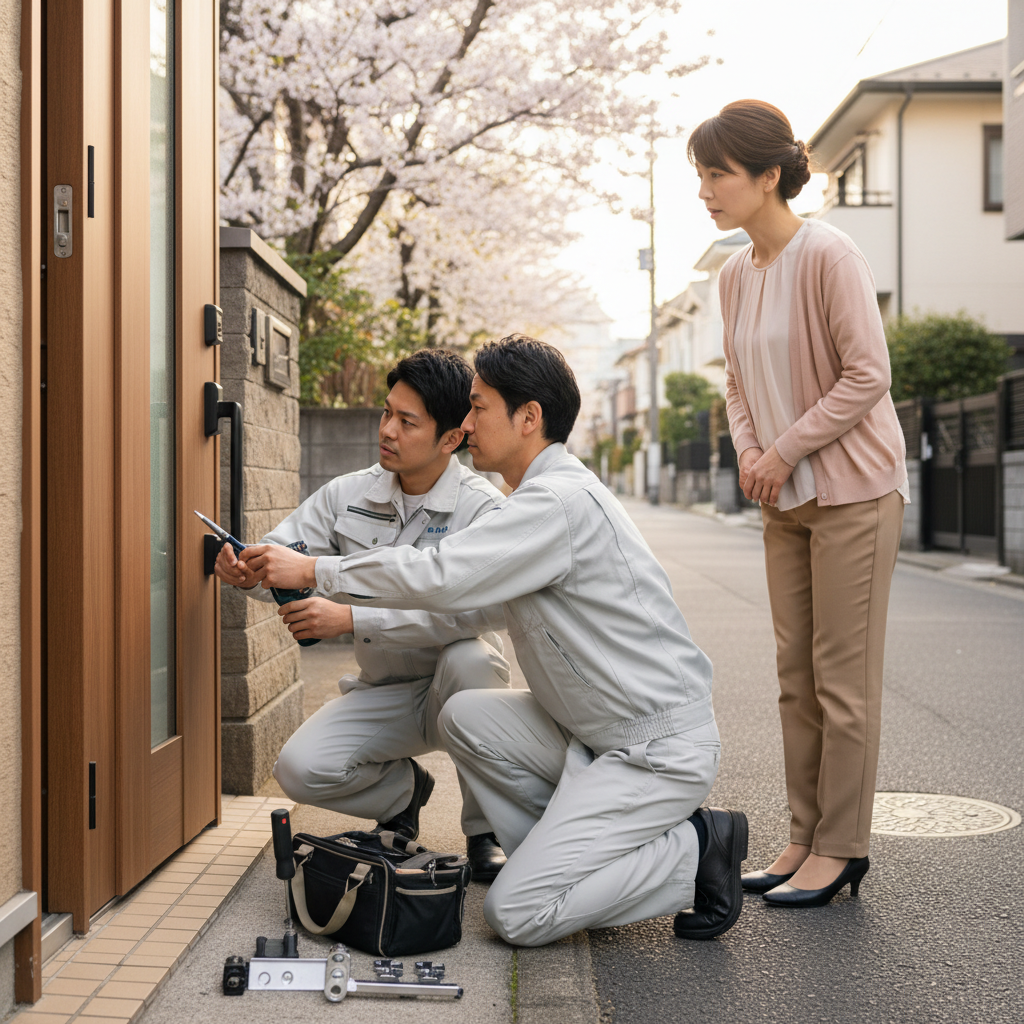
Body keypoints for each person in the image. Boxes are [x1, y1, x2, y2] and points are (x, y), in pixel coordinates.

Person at [240, 333, 748, 947]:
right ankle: (564, 860)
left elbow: (441, 574)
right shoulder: (530, 498)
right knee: (468, 715)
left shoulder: (554, 503)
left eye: (479, 408)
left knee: (516, 915)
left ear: (528, 417)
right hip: (591, 736)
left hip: (652, 749)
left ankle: (696, 849)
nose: (468, 421)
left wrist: (318, 572)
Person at [689, 100, 907, 907]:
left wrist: (781, 450)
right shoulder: (735, 275)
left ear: (768, 176)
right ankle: (803, 835)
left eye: (718, 174)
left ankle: (843, 849)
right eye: (701, 175)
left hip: (854, 491)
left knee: (842, 680)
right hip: (784, 494)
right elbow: (737, 381)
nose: (705, 190)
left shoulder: (830, 254)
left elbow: (867, 374)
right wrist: (751, 450)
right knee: (794, 675)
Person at [215, 348, 510, 881]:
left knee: (474, 660)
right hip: (385, 692)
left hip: (456, 685)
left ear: (452, 438)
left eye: (407, 421)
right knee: (298, 768)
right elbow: (287, 559)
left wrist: (350, 620)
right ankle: (403, 795)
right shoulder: (347, 494)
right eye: (386, 413)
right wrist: (250, 573)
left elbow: (474, 611)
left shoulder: (482, 509)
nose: (387, 431)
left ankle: (485, 828)